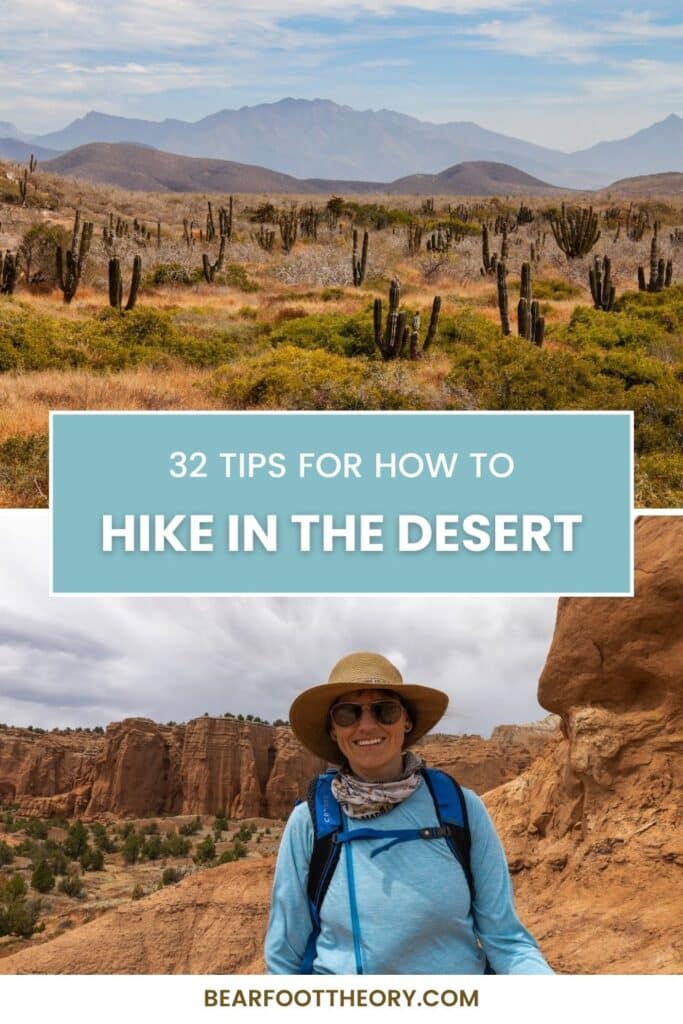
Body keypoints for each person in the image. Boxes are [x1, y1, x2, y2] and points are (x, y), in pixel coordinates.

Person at [265, 651, 553, 975]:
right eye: (348, 714)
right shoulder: (311, 822)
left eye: (384, 710)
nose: (367, 724)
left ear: (407, 720)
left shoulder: (461, 809)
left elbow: (508, 941)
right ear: (333, 729)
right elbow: (283, 959)